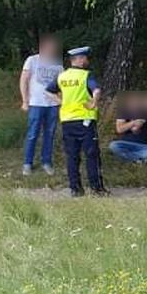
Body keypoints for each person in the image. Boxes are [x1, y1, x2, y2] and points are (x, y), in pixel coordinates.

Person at [46, 47, 108, 197]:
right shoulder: (86, 75)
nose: (87, 60)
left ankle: (75, 189)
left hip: (67, 121)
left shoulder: (62, 76)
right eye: (85, 58)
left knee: (72, 156)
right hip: (85, 120)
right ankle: (97, 189)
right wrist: (94, 101)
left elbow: (48, 91)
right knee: (92, 155)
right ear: (79, 59)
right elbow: (97, 90)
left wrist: (61, 101)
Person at [19, 35, 64, 176]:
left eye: (53, 47)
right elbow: (23, 80)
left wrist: (61, 101)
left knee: (49, 134)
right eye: (48, 46)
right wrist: (25, 100)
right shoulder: (32, 60)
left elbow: (62, 86)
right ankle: (27, 163)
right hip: (36, 103)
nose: (51, 49)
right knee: (33, 134)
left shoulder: (58, 65)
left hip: (52, 105)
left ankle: (46, 162)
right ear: (42, 47)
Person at [108, 91, 147, 163]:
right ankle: (138, 159)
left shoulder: (145, 112)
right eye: (132, 101)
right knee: (113, 145)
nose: (135, 104)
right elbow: (119, 129)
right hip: (125, 144)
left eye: (137, 101)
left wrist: (128, 125)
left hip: (142, 146)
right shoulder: (123, 111)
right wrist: (133, 122)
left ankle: (127, 158)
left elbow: (136, 128)